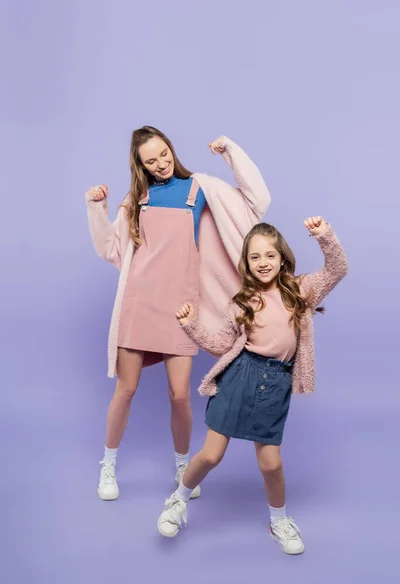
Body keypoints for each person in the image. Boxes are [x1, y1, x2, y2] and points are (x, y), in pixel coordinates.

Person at [85, 126, 271, 501]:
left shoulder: (200, 189)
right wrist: (96, 208)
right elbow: (111, 248)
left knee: (180, 396)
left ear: (171, 149)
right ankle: (108, 464)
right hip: (138, 305)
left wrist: (231, 152)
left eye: (164, 155)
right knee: (126, 389)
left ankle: (183, 464)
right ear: (140, 165)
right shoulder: (137, 197)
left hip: (182, 309)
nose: (160, 165)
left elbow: (258, 201)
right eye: (151, 161)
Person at [157, 216, 348, 554]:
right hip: (239, 377)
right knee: (211, 455)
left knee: (271, 464)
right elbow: (221, 344)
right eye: (255, 257)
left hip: (276, 383)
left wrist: (324, 236)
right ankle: (178, 500)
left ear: (282, 257)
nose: (263, 263)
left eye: (270, 256)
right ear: (246, 262)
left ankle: (279, 521)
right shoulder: (242, 302)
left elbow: (337, 269)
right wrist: (191, 325)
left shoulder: (300, 289)